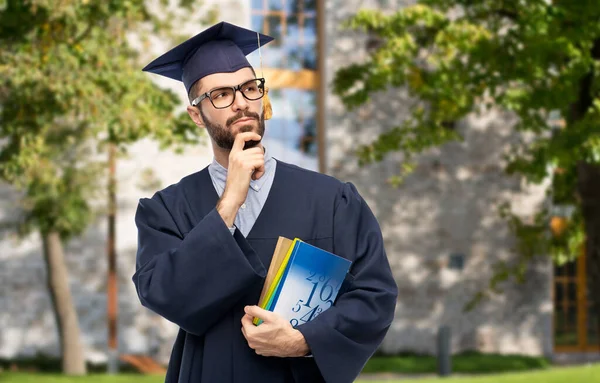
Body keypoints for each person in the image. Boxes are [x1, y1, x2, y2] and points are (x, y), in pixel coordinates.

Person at [133, 21, 398, 383]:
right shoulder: (166, 209)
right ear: (197, 115)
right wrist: (228, 204)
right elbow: (167, 296)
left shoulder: (332, 200)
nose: (241, 102)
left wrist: (304, 340)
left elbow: (374, 295)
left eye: (249, 88)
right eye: (221, 95)